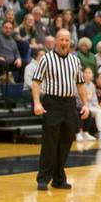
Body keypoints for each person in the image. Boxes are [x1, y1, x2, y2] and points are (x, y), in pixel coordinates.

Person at [31, 29, 89, 191]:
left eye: (67, 40)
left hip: (69, 104)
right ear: (56, 41)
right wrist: (37, 103)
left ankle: (58, 178)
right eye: (61, 40)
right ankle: (43, 178)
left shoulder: (74, 60)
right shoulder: (46, 59)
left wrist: (85, 104)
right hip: (52, 103)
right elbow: (36, 82)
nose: (64, 43)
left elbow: (80, 83)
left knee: (65, 142)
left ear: (70, 42)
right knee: (50, 142)